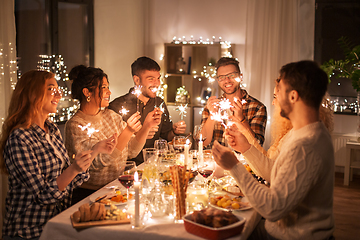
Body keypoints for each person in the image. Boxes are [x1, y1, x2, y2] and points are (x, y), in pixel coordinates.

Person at [212, 60, 335, 240]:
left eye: (278, 94)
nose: (273, 100)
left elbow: (273, 209)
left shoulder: (306, 146)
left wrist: (234, 167)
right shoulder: (301, 132)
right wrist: (245, 147)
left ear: (293, 96)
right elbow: (273, 172)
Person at [0, 70, 104, 240]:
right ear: (33, 94)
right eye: (51, 89)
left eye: (58, 88)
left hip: (57, 223)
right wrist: (74, 169)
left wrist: (92, 154)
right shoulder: (20, 138)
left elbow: (66, 179)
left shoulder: (52, 129)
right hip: (29, 232)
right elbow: (44, 196)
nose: (59, 93)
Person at [65, 65, 161, 202]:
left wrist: (146, 126)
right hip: (90, 196)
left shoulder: (111, 116)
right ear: (87, 92)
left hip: (116, 188)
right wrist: (128, 131)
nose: (109, 92)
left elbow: (131, 151)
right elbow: (100, 160)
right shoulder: (75, 125)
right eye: (103, 87)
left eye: (107, 87)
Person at [109, 56, 186, 165]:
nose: (157, 83)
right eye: (151, 79)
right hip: (126, 168)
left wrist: (174, 131)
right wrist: (139, 134)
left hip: (153, 165)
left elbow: (166, 136)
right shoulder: (117, 106)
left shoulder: (159, 103)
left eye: (158, 78)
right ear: (136, 80)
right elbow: (112, 148)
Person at [200, 57, 267, 148]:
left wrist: (241, 119)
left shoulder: (257, 108)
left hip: (244, 162)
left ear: (240, 77)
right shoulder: (212, 106)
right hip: (215, 161)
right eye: (222, 77)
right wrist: (212, 115)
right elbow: (203, 143)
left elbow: (257, 145)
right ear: (218, 81)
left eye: (232, 75)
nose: (227, 80)